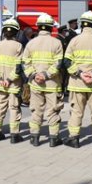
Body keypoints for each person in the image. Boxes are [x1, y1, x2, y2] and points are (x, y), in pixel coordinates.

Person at [63, 11, 92, 149]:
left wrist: (80, 73)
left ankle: (74, 139)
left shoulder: (74, 40)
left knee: (76, 112)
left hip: (77, 84)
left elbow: (66, 61)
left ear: (82, 24)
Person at [23, 13, 65, 147]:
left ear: (38, 27)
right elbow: (58, 64)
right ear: (51, 27)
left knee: (36, 110)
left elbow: (25, 63)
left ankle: (34, 137)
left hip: (36, 84)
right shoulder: (57, 42)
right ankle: (54, 138)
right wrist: (46, 75)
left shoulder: (31, 43)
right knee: (53, 110)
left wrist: (35, 75)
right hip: (52, 84)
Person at [0, 19, 24, 143]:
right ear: (16, 32)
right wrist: (9, 79)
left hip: (0, 84)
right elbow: (19, 67)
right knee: (14, 108)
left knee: (0, 108)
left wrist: (0, 79)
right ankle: (15, 135)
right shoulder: (18, 46)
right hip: (13, 84)